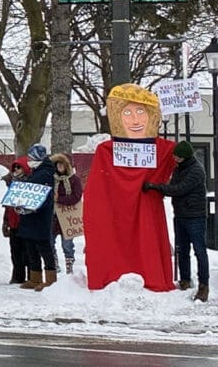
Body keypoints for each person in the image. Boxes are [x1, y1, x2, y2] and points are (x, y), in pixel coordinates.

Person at [83, 84, 176, 292]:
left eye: (140, 112)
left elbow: (184, 162)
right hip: (117, 213)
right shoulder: (106, 151)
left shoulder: (162, 150)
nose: (135, 120)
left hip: (146, 211)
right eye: (127, 112)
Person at [144, 141, 209, 302]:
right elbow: (173, 185)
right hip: (181, 215)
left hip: (195, 217)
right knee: (182, 250)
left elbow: (179, 189)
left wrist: (155, 187)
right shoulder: (179, 169)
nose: (174, 158)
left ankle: (203, 286)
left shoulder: (196, 171)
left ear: (184, 157)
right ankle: (185, 280)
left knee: (199, 251)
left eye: (176, 156)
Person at [18, 144, 57, 291]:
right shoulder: (36, 171)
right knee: (31, 248)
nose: (28, 160)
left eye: (30, 157)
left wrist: (34, 206)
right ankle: (35, 278)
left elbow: (44, 195)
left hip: (39, 216)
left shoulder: (45, 173)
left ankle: (50, 279)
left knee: (43, 247)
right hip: (29, 216)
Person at [50, 153, 83, 275]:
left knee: (67, 244)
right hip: (53, 217)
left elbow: (77, 196)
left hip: (67, 217)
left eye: (61, 164)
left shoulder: (74, 180)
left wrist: (59, 199)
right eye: (57, 164)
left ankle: (69, 266)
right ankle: (54, 264)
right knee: (50, 242)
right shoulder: (51, 179)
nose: (59, 166)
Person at [1, 158, 30, 285]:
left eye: (19, 168)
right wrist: (5, 221)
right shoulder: (11, 185)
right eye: (14, 168)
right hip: (14, 222)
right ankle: (17, 275)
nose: (16, 171)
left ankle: (31, 275)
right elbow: (8, 206)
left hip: (26, 223)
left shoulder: (31, 184)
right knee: (15, 251)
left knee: (28, 252)